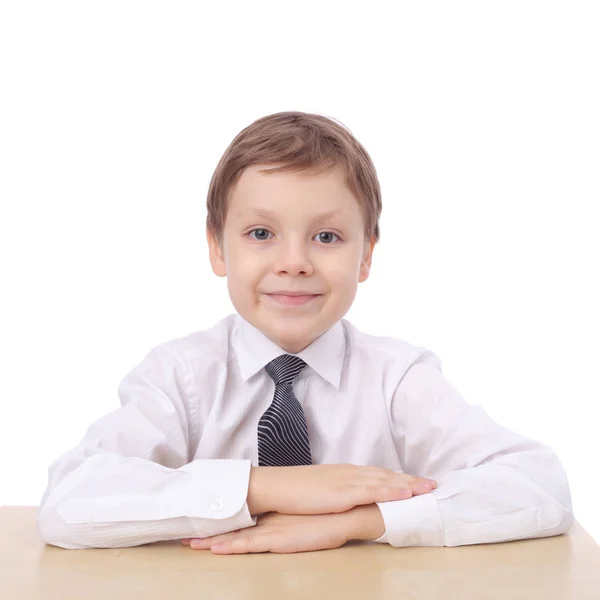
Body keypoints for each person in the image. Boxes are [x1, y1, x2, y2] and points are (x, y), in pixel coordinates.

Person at [37, 111, 572, 553]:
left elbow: (539, 484)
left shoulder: (397, 379)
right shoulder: (181, 376)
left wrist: (359, 519)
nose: (293, 262)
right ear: (218, 248)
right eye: (261, 233)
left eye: (327, 235)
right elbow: (68, 501)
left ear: (365, 256)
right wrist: (268, 487)